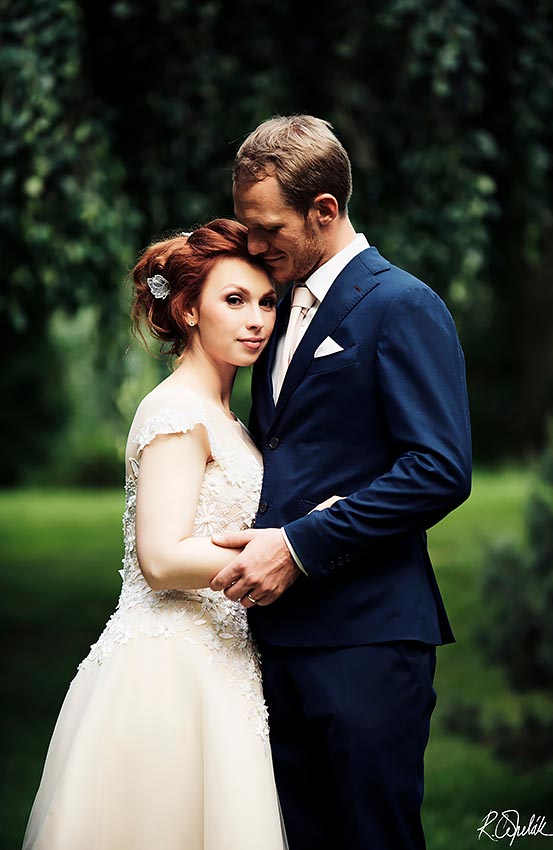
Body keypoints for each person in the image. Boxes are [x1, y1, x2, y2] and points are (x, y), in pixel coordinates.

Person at [209, 115, 472, 850]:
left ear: (324, 210)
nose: (254, 247)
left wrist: (298, 546)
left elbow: (440, 471)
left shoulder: (403, 305)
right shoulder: (273, 311)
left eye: (268, 229)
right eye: (246, 227)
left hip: (368, 637)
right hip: (276, 639)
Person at [22, 219, 288, 850]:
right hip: (168, 666)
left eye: (267, 302)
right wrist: (282, 548)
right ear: (188, 310)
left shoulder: (230, 419)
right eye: (234, 300)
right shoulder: (175, 412)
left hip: (221, 662)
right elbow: (162, 557)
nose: (256, 319)